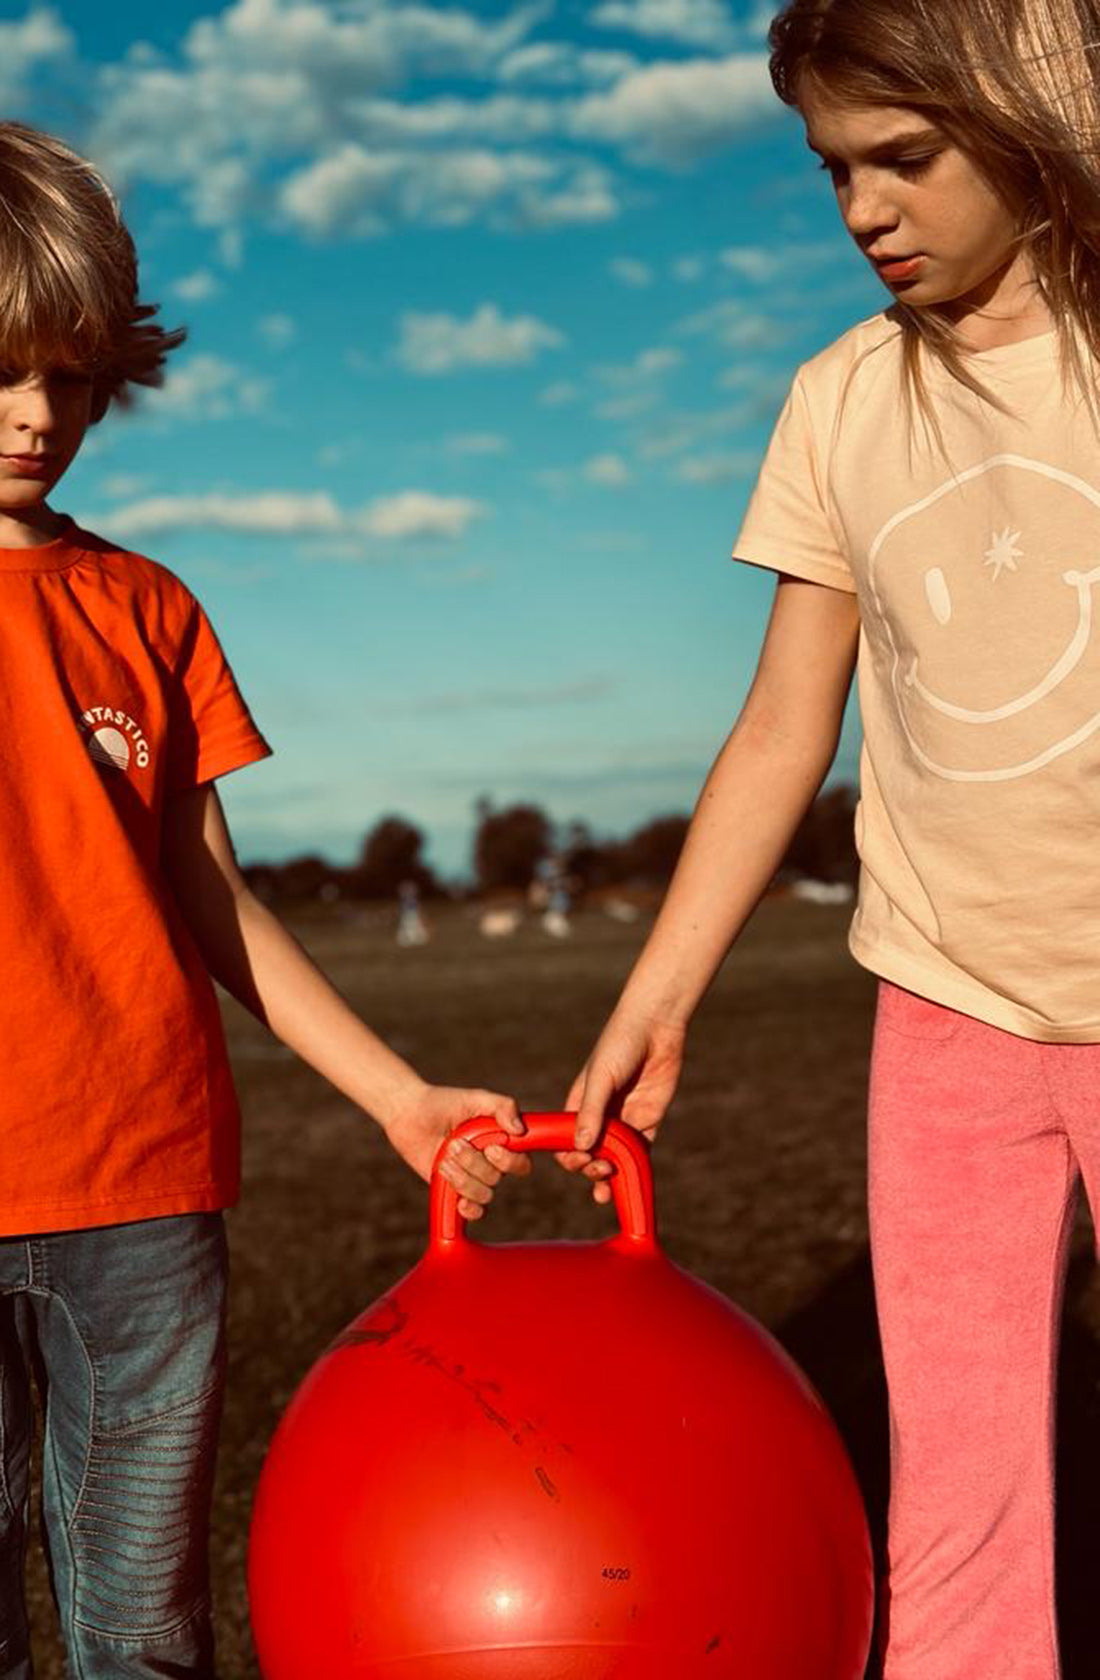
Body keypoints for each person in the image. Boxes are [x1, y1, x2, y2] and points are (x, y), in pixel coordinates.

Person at [557, 2, 1100, 1675]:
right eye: (832, 170)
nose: (863, 209)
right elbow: (789, 723)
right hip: (947, 1005)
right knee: (955, 1501)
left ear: (1033, 115)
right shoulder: (840, 401)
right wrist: (660, 994)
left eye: (907, 159)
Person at [0, 119, 529, 1679]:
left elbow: (215, 899)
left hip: (142, 1194)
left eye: (72, 376)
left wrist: (398, 1097)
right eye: (2, 367)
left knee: (140, 1635)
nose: (38, 415)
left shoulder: (147, 606)